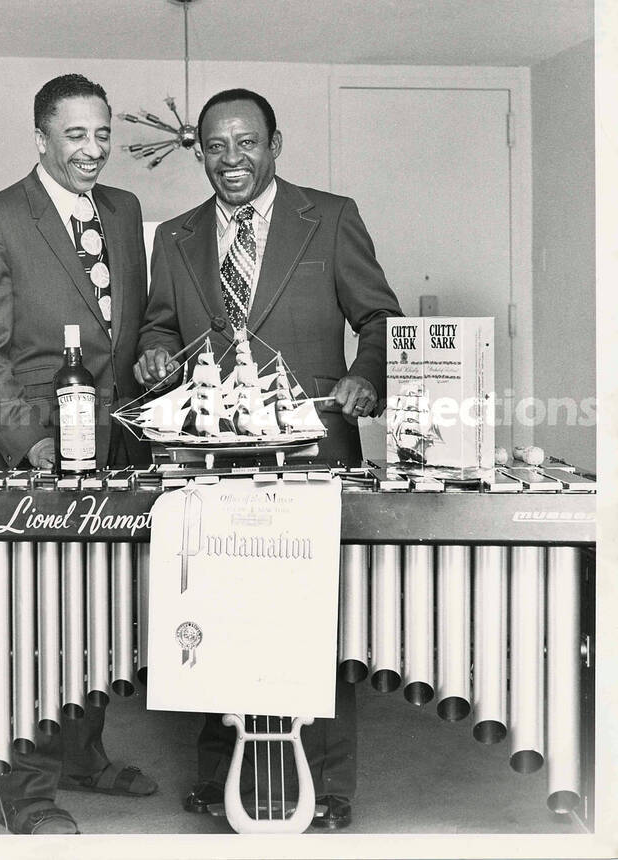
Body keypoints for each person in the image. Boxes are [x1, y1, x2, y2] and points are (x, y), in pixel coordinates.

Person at [134, 88, 403, 830]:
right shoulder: (178, 236)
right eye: (216, 147)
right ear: (200, 152)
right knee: (215, 610)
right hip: (211, 453)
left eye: (246, 144)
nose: (231, 161)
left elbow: (379, 317)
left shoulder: (331, 215)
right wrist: (156, 351)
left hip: (314, 444)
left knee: (313, 617)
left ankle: (327, 784)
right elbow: (158, 322)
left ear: (274, 145)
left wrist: (367, 375)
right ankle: (220, 776)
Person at [0, 73, 156, 834]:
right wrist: (28, 441)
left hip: (118, 451)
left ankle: (83, 756)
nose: (92, 150)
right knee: (36, 627)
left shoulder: (127, 212)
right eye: (75, 135)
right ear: (41, 138)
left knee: (103, 619)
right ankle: (27, 793)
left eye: (102, 134)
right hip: (34, 451)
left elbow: (125, 336)